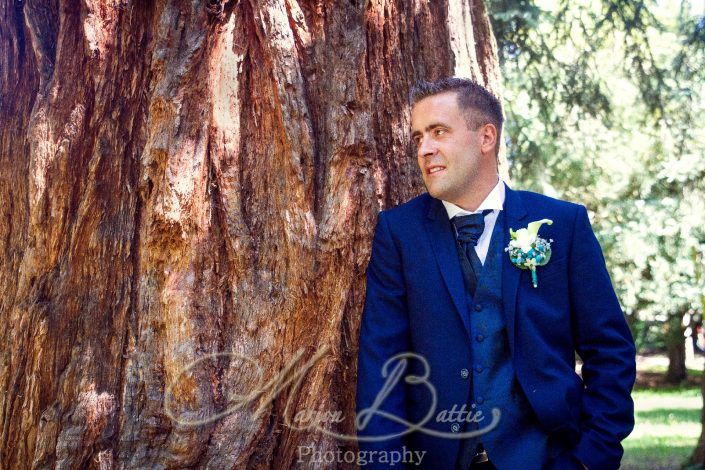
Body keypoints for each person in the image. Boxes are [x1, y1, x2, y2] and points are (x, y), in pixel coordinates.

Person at [355, 77, 636, 470]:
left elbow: (610, 350)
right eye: (418, 137)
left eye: (439, 132)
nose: (425, 148)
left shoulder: (562, 224)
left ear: (486, 137)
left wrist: (591, 457)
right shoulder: (400, 233)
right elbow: (381, 366)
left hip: (548, 458)